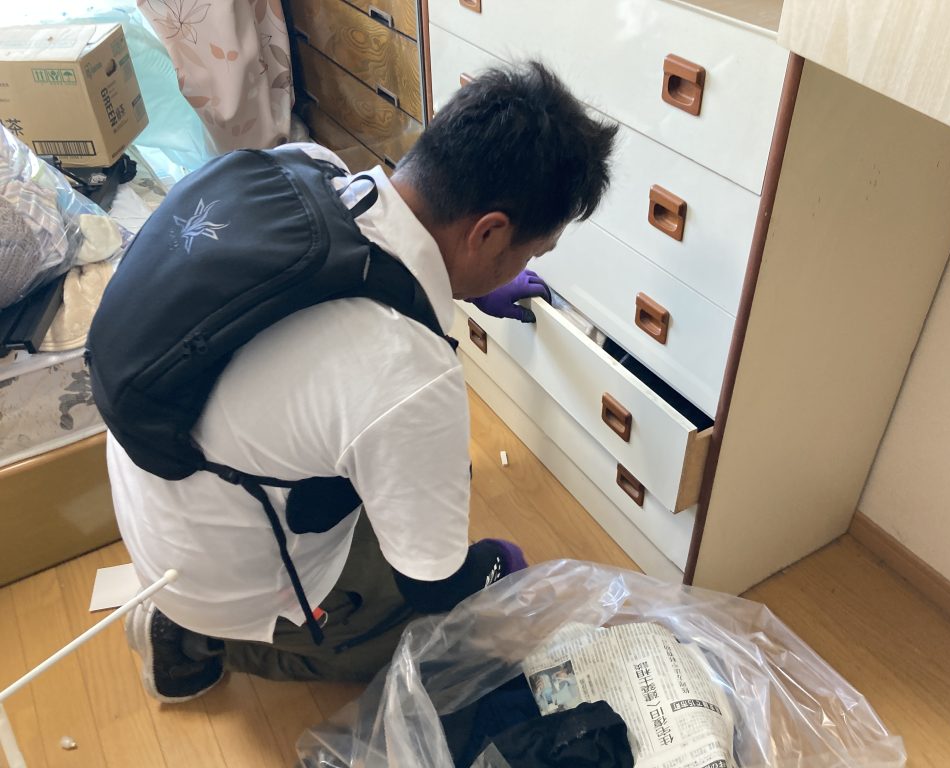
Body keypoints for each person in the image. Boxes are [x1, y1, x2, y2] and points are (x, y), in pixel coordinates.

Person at [111, 61, 617, 702]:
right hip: (216, 572)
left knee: (429, 471)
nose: (525, 264)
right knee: (453, 634)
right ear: (489, 232)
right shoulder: (411, 378)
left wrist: (466, 281)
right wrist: (494, 579)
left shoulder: (306, 165)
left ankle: (196, 607)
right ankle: (194, 635)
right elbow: (435, 587)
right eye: (530, 251)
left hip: (166, 487)